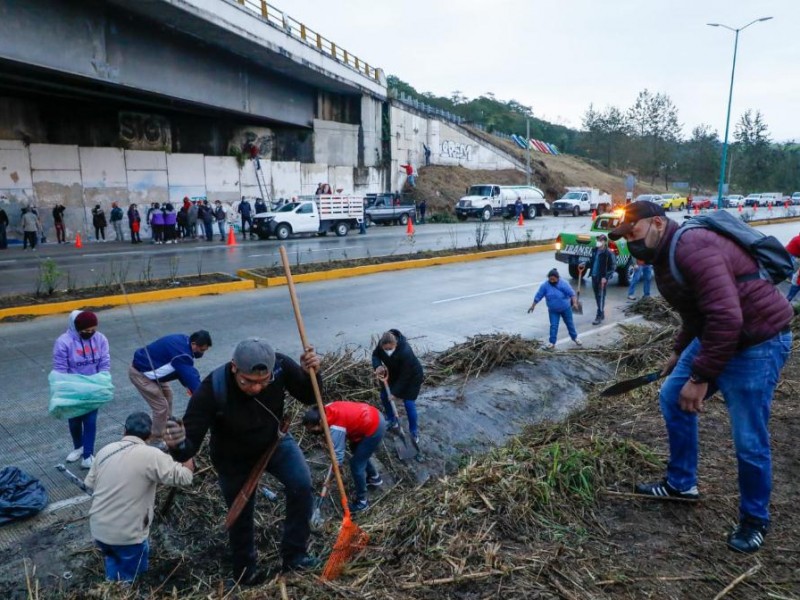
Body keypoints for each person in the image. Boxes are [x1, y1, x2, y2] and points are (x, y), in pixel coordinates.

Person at [609, 200, 793, 554]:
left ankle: (754, 519)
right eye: (624, 236)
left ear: (658, 223)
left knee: (748, 438)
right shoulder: (665, 257)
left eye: (633, 232)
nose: (629, 241)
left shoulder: (693, 247)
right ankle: (681, 483)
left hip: (758, 341)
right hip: (719, 334)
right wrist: (679, 352)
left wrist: (701, 376)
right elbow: (696, 312)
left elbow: (726, 317)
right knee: (671, 396)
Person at [166, 338, 322, 583]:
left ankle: (295, 555)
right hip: (233, 458)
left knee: (301, 486)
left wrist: (311, 372)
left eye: (263, 382)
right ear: (234, 368)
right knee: (240, 515)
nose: (257, 388)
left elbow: (310, 396)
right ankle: (245, 572)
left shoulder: (280, 366)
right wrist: (177, 445)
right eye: (248, 382)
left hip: (275, 442)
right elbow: (189, 446)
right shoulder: (212, 388)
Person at [85, 412, 194, 582]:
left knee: (113, 560)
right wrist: (185, 449)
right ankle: (125, 586)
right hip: (128, 537)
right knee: (133, 581)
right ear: (150, 435)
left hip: (99, 530)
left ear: (124, 431)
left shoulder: (104, 451)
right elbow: (185, 477)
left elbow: (89, 484)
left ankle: (112, 582)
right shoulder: (151, 455)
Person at [129, 330, 212, 445]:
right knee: (161, 407)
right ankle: (156, 440)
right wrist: (204, 399)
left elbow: (182, 374)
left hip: (152, 369)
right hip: (142, 374)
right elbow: (191, 377)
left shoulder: (184, 340)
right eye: (202, 350)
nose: (202, 353)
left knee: (168, 394)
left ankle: (166, 425)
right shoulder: (182, 355)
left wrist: (190, 388)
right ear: (194, 344)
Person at [302, 401, 385, 513]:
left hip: (374, 427)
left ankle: (362, 502)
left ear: (321, 422)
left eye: (313, 428)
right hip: (370, 416)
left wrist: (329, 479)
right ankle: (374, 478)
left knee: (356, 465)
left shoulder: (336, 428)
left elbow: (338, 459)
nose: (312, 431)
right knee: (356, 449)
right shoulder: (325, 409)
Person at [53, 310, 110, 469]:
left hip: (93, 386)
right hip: (73, 387)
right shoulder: (64, 342)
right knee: (74, 420)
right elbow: (60, 368)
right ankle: (78, 447)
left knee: (90, 420)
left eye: (93, 330)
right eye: (86, 331)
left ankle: (88, 455)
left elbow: (104, 362)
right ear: (76, 328)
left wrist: (102, 381)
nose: (90, 334)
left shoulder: (100, 339)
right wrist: (63, 389)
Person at [371, 329, 424, 443]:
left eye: (390, 349)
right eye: (385, 349)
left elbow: (405, 376)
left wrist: (394, 393)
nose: (388, 351)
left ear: (395, 344)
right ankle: (392, 420)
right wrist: (377, 366)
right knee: (384, 395)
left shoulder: (405, 351)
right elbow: (375, 355)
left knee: (408, 403)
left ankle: (414, 432)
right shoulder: (382, 345)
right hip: (394, 373)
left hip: (412, 376)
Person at [528, 268, 581, 350]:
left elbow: (572, 294)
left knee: (569, 323)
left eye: (554, 279)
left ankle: (575, 338)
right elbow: (538, 296)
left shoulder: (563, 284)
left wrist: (574, 303)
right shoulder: (545, 286)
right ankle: (552, 342)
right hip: (553, 311)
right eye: (550, 279)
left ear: (558, 278)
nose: (552, 281)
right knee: (553, 325)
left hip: (565, 308)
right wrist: (533, 306)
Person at [586, 233, 616, 325]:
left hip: (602, 278)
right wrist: (584, 264)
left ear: (604, 242)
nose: (598, 242)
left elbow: (613, 267)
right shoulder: (594, 250)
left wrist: (605, 277)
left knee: (601, 296)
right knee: (597, 296)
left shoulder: (608, 253)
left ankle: (599, 316)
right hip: (594, 276)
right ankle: (601, 312)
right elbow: (591, 262)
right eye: (598, 240)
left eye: (601, 240)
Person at [784, 233, 800, 301]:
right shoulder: (798, 240)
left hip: (787, 253)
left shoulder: (797, 238)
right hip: (790, 254)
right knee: (790, 268)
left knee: (790, 296)